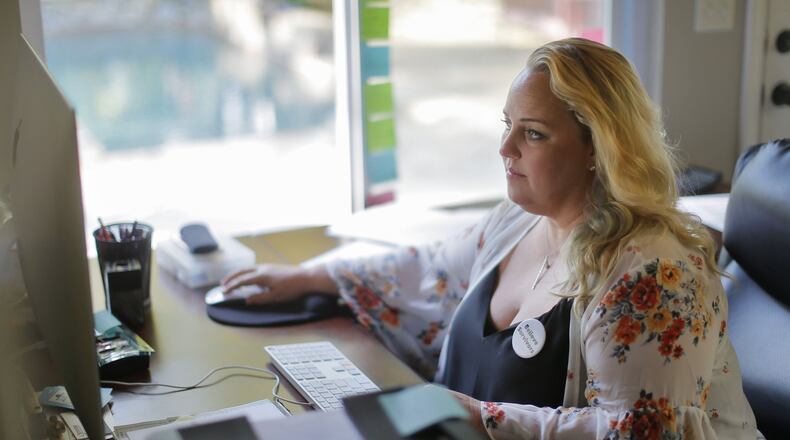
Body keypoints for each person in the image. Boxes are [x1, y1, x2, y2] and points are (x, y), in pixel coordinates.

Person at [222, 38, 760, 439]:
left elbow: (639, 432)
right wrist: (306, 277)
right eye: (507, 123)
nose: (505, 148)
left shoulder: (654, 274)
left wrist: (474, 417)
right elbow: (432, 268)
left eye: (533, 133)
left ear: (599, 148)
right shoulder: (517, 221)